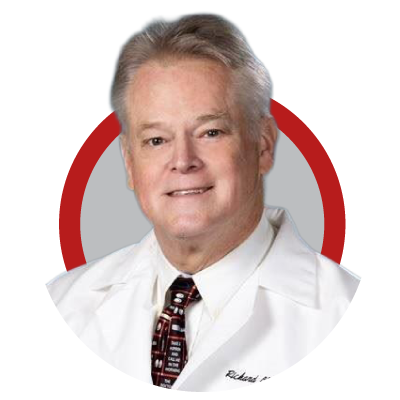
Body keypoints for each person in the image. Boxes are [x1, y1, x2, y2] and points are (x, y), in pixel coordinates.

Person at [47, 12, 361, 391]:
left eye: (210, 132)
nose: (183, 161)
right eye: (156, 140)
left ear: (263, 145)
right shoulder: (66, 303)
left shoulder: (338, 310)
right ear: (129, 163)